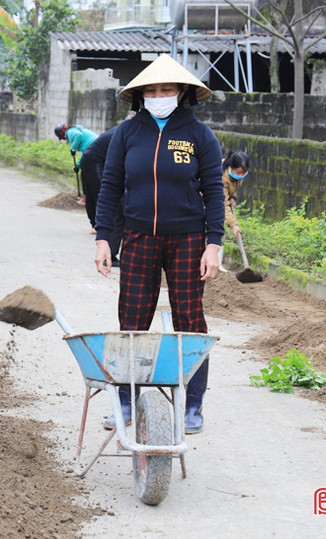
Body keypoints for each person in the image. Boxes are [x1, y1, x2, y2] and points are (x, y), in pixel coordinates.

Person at [93, 54, 225, 434]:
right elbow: (110, 187)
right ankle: (126, 400)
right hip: (138, 238)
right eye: (151, 90)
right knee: (132, 320)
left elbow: (214, 191)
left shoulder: (200, 135)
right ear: (141, 95)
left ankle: (193, 403)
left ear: (181, 92)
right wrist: (104, 239)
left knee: (190, 321)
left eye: (166, 89)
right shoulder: (127, 133)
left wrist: (213, 244)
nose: (159, 95)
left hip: (188, 240)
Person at [78, 125, 124, 266]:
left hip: (89, 159)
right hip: (95, 161)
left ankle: (95, 225)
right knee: (114, 204)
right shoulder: (128, 131)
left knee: (92, 196)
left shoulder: (123, 129)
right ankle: (109, 254)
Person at [219, 150, 250, 271]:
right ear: (231, 168)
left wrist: (232, 197)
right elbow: (222, 203)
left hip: (219, 200)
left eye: (244, 172)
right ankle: (214, 263)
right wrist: (233, 225)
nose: (242, 175)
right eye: (239, 172)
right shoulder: (221, 175)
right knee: (213, 229)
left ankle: (217, 263)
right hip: (204, 200)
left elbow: (233, 187)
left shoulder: (236, 175)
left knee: (216, 229)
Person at [54, 123, 98, 207]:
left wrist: (72, 147)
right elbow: (86, 152)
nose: (63, 139)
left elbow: (78, 135)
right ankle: (88, 199)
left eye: (61, 137)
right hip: (95, 148)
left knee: (85, 175)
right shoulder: (76, 129)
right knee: (88, 174)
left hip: (94, 149)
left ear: (61, 133)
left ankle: (85, 200)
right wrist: (78, 165)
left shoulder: (69, 132)